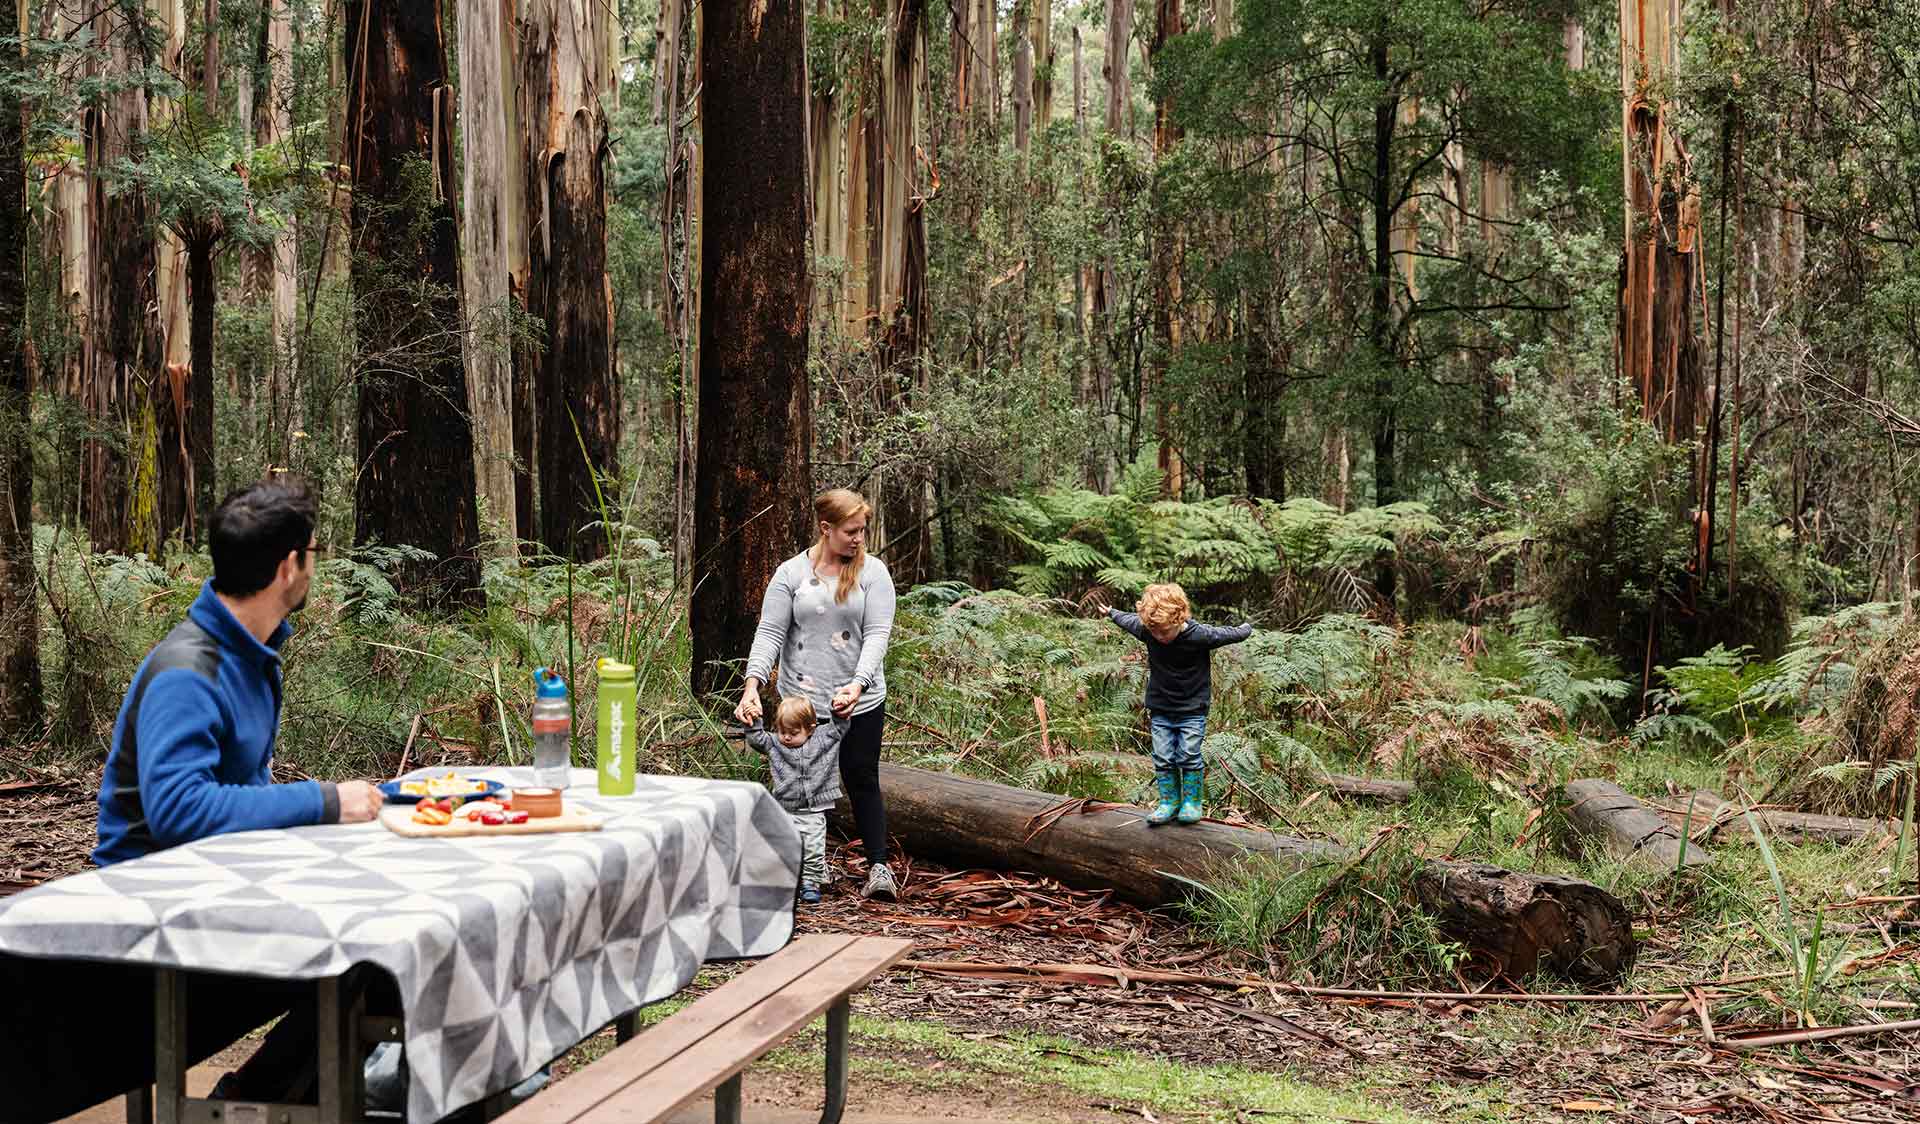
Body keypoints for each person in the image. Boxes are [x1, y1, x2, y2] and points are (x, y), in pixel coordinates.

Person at [86, 476, 389, 1106]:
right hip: (151, 916)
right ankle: (268, 1099)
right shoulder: (187, 673)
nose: (314, 568)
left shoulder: (251, 653)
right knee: (373, 955)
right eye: (313, 555)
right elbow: (180, 811)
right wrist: (326, 801)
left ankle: (274, 1095)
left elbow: (237, 794)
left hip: (219, 888)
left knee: (392, 945)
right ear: (288, 568)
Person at [735, 488, 899, 899]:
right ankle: (807, 866)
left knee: (861, 776)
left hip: (858, 699)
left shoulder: (873, 573)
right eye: (851, 531)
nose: (859, 539)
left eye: (863, 530)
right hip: (802, 703)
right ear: (826, 529)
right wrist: (752, 685)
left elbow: (878, 634)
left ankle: (878, 868)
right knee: (797, 782)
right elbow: (770, 633)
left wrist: (858, 684)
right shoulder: (791, 574)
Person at [1101, 583, 1253, 826]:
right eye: (1154, 632)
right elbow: (1129, 621)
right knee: (1162, 756)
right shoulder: (1149, 630)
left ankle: (1192, 802)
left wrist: (1246, 628)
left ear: (1179, 617)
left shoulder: (1199, 635)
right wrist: (1111, 612)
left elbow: (1227, 634)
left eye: (1164, 632)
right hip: (1161, 708)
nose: (1160, 638)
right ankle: (1169, 802)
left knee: (1188, 754)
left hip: (1192, 710)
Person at [745, 696, 849, 904]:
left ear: (810, 729)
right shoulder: (775, 744)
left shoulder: (822, 739)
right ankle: (783, 882)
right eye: (782, 731)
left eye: (793, 733)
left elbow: (839, 727)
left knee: (813, 849)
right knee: (781, 846)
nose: (787, 738)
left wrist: (837, 710)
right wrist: (753, 719)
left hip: (813, 811)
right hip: (784, 809)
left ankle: (810, 882)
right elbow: (757, 738)